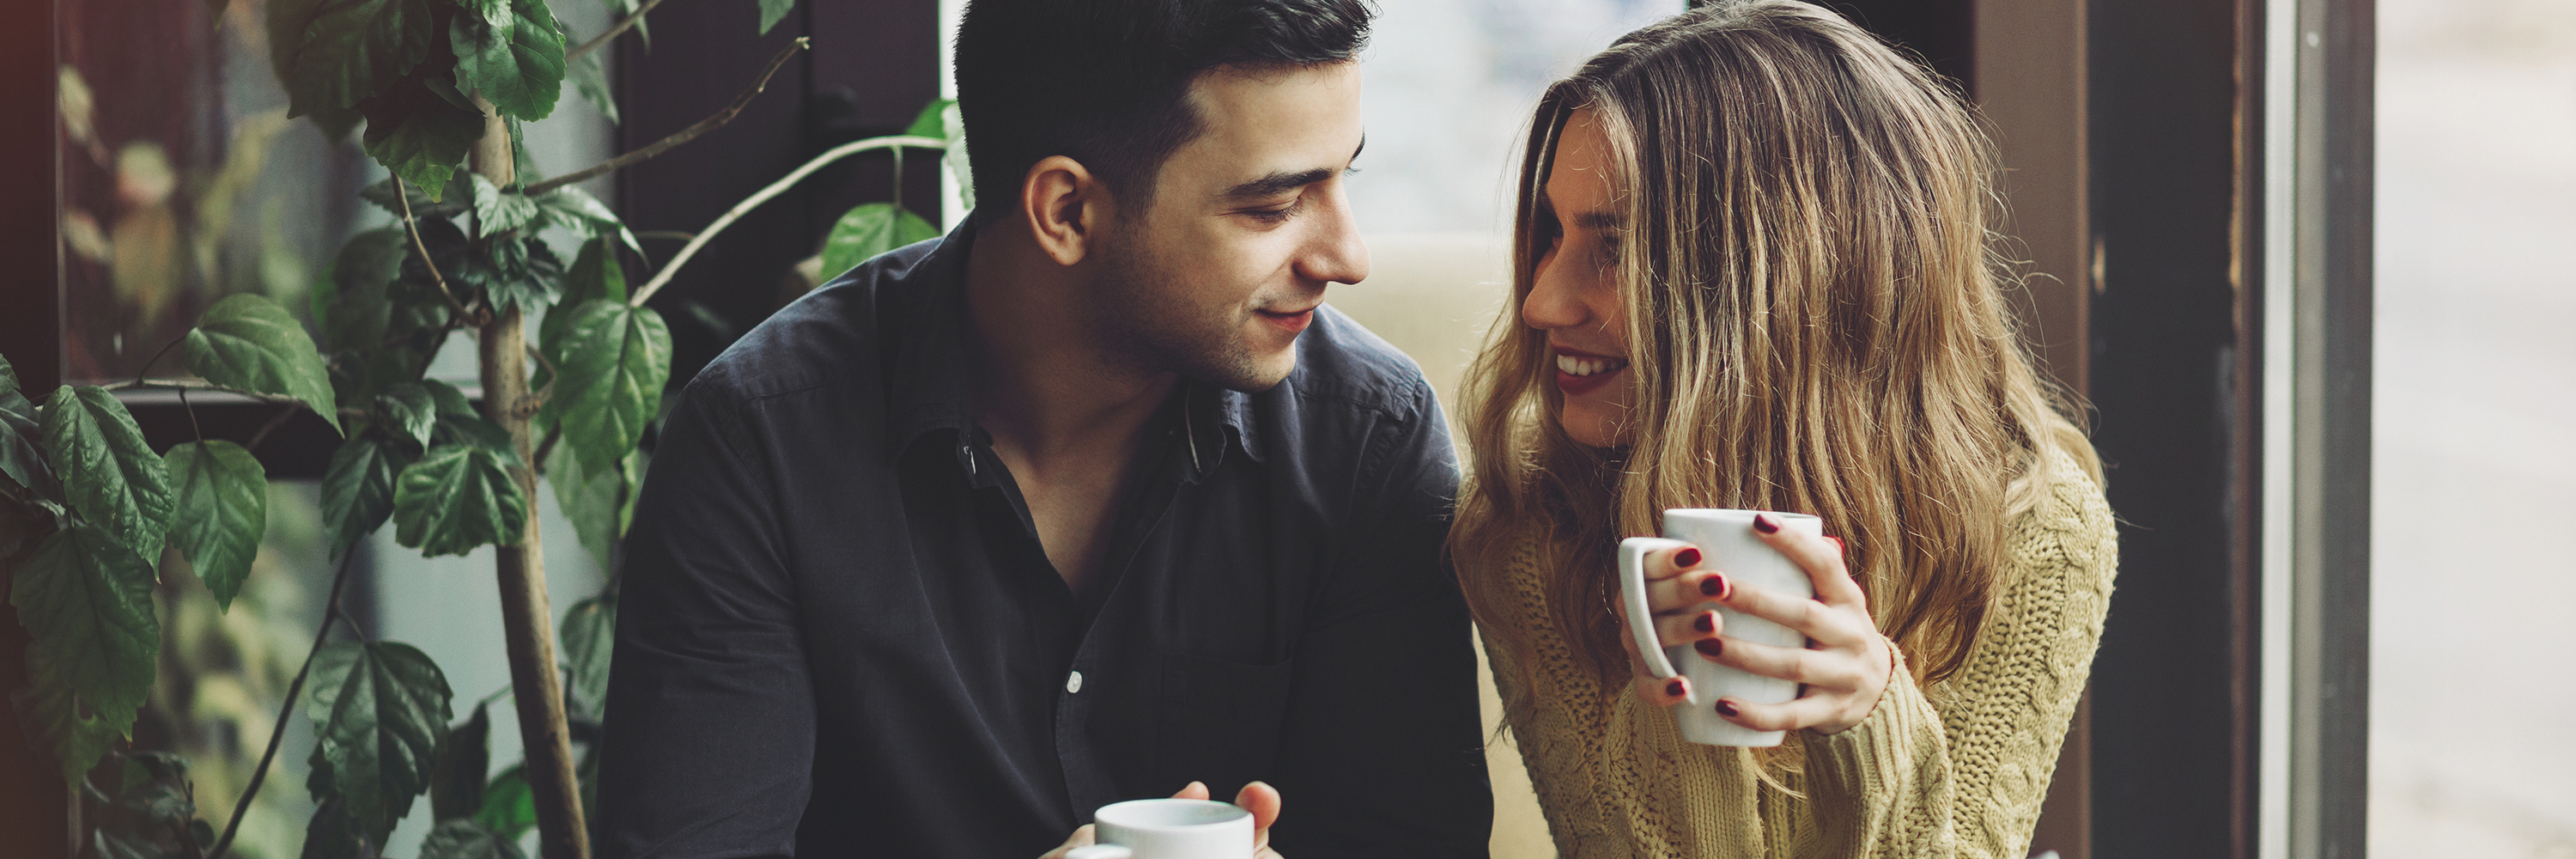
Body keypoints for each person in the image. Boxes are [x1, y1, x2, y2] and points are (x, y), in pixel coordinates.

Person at [592, 1, 1493, 856]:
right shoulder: (760, 445)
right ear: (1067, 211)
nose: (1349, 256)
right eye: (1272, 206)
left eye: (1346, 178)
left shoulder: (1368, 439)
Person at [1447, 2, 2118, 856]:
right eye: (1551, 235)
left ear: (1776, 287)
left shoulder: (2035, 531)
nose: (1542, 301)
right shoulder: (1531, 523)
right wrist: (1680, 720)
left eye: (1612, 248)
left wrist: (1871, 722)